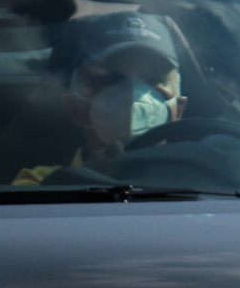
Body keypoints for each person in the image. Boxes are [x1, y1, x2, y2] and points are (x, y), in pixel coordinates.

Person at [13, 11, 188, 185]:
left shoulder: (203, 184)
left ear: (178, 109)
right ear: (73, 108)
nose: (134, 95)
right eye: (110, 79)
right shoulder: (39, 184)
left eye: (154, 80)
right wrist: (81, 182)